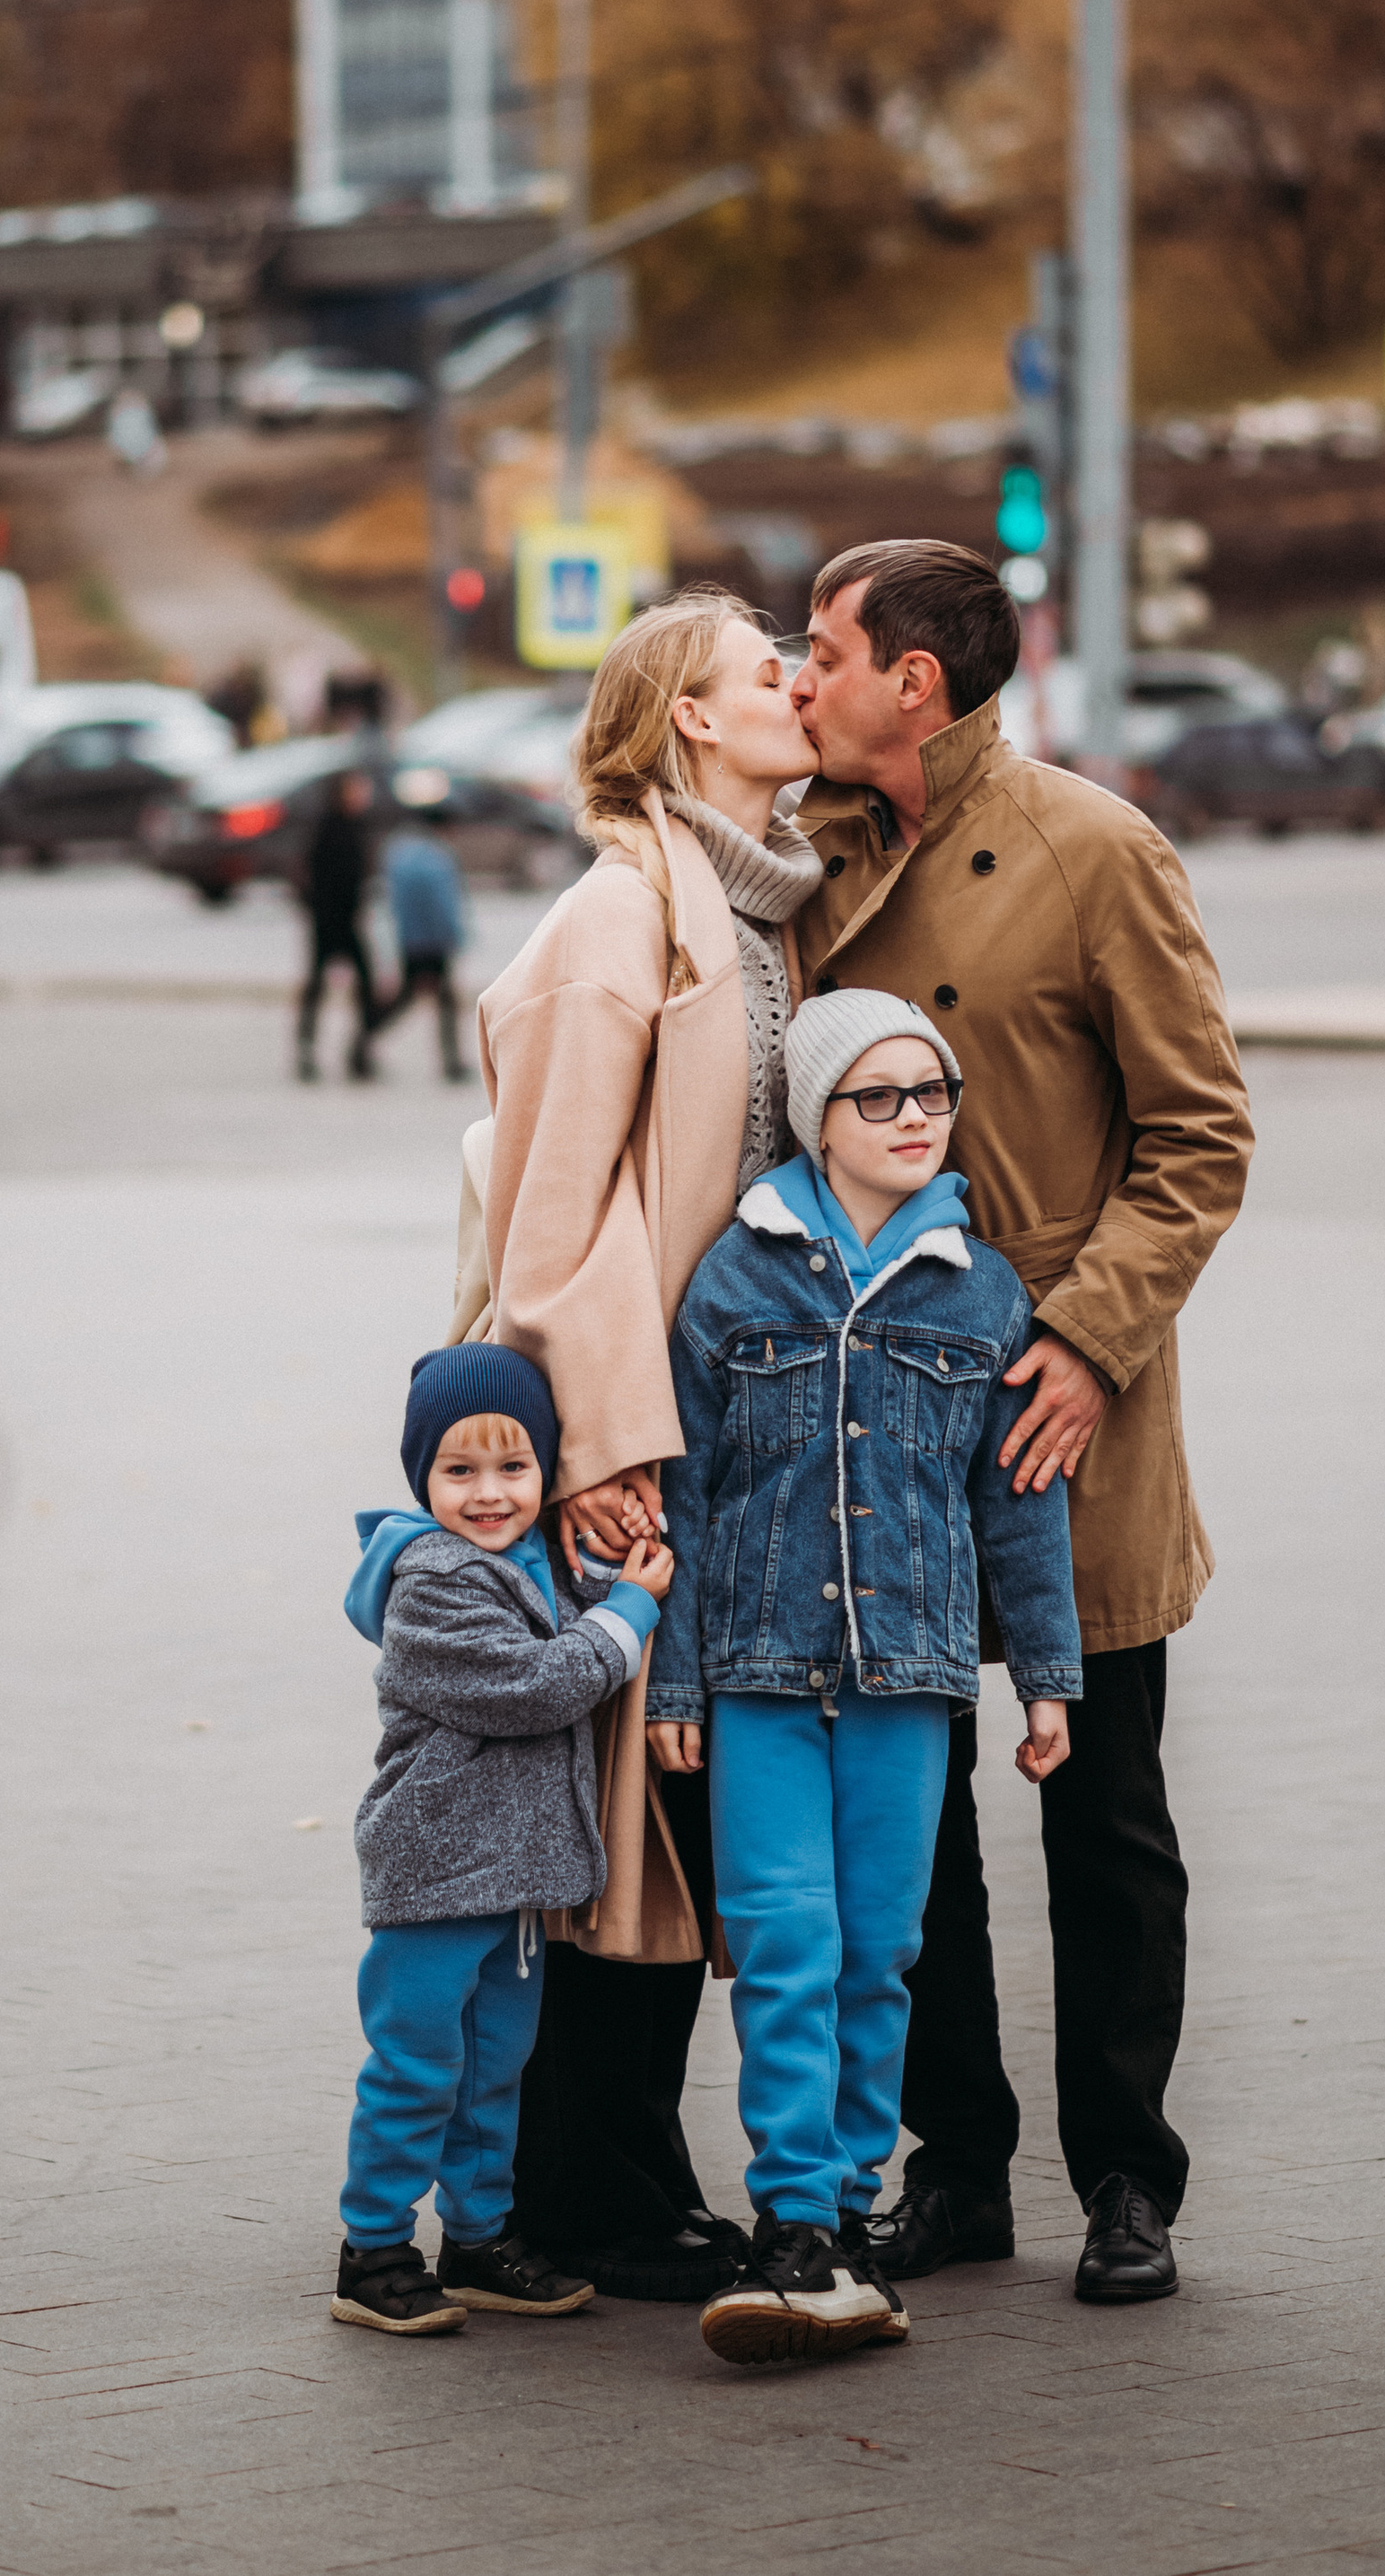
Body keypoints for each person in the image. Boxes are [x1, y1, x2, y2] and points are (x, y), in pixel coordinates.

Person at [788, 540, 1254, 2306]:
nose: (794, 679)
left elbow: (1197, 1135)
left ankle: (1126, 2181)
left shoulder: (1090, 847)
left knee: (1103, 1811)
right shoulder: (811, 859)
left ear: (915, 681)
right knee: (914, 1828)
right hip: (874, 1417)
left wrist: (1083, 1340)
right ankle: (954, 2167)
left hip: (1063, 1411)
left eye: (820, 651)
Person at [459, 587, 823, 2302]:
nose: (798, 687)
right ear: (688, 714)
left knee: (664, 1814)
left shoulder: (752, 911)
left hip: (726, 1438)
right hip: (636, 1441)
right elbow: (553, 1218)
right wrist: (606, 1445)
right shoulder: (619, 919)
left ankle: (624, 2172)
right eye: (770, 670)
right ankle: (567, 2187)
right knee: (621, 1820)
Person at [653, 991, 1083, 2366]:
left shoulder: (982, 1286)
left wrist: (1048, 1680)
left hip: (909, 1679)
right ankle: (790, 2220)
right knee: (783, 1944)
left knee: (878, 1951)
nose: (914, 1118)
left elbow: (1019, 1503)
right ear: (814, 1119)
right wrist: (672, 1683)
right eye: (879, 1097)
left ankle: (841, 2203)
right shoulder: (737, 1274)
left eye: (932, 1092)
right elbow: (685, 1490)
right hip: (760, 1674)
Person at [334, 1342, 671, 2338]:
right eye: (459, 1470)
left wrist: (612, 1562)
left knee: (493, 2068)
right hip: (436, 1873)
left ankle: (477, 2239)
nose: (489, 1494)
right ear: (421, 1477)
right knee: (416, 2065)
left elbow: (566, 1620)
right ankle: (373, 2250)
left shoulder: (523, 1562)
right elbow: (535, 1688)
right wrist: (629, 1614)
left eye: (514, 1467)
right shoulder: (430, 1582)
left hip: (512, 1875)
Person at [297, 773, 384, 1083]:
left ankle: (360, 1050)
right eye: (357, 790)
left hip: (348, 919)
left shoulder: (357, 826)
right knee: (318, 986)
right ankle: (307, 1051)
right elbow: (315, 875)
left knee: (363, 987)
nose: (363, 795)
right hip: (330, 920)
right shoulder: (330, 827)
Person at [377, 812, 470, 1082]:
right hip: (434, 941)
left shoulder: (403, 855)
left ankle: (364, 1040)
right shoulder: (437, 859)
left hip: (411, 940)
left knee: (411, 997)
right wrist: (453, 935)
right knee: (441, 1001)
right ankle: (451, 1061)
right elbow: (443, 904)